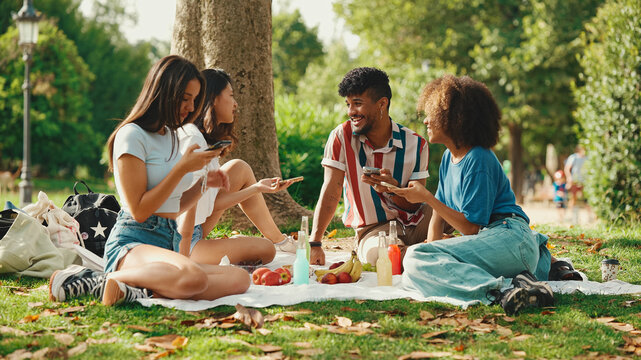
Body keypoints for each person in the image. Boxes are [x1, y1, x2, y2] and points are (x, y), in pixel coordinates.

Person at [48, 55, 250, 306]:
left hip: (169, 239)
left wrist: (204, 184)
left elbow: (173, 207)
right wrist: (181, 169)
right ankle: (100, 279)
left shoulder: (171, 136)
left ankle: (135, 291)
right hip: (135, 240)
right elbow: (140, 210)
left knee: (240, 279)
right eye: (185, 98)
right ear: (164, 93)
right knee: (193, 277)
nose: (191, 107)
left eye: (195, 100)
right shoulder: (131, 135)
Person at [388, 75, 553, 315]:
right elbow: (438, 217)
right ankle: (520, 286)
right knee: (414, 262)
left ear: (453, 117)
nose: (425, 120)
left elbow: (470, 228)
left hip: (510, 238)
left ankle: (503, 291)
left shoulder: (478, 158)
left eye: (431, 113)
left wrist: (427, 198)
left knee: (415, 259)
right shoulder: (448, 158)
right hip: (494, 243)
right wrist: (431, 252)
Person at [309, 67, 433, 266]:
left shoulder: (416, 144)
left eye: (357, 104)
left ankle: (431, 247)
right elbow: (331, 191)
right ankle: (434, 250)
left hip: (420, 221)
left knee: (455, 211)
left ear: (382, 104)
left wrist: (392, 190)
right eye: (348, 104)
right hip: (373, 230)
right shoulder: (342, 137)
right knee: (386, 258)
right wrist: (315, 242)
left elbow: (417, 204)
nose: (351, 112)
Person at [176, 68, 297, 265]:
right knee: (265, 250)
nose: (235, 103)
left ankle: (280, 241)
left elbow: (207, 203)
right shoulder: (194, 140)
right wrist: (182, 260)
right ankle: (221, 249)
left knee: (239, 167)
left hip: (195, 229)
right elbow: (185, 204)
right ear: (213, 98)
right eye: (231, 96)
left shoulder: (203, 139)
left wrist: (256, 188)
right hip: (182, 240)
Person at [564, 145, 588, 223]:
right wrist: (569, 178)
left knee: (586, 199)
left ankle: (589, 216)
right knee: (573, 198)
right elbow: (567, 168)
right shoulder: (573, 157)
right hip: (575, 180)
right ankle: (571, 216)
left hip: (584, 180)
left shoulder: (587, 158)